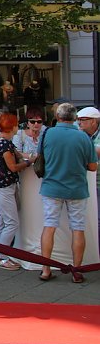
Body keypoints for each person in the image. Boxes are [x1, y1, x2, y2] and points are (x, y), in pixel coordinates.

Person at [38, 103, 97, 282]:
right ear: (74, 118)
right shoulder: (83, 137)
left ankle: (45, 269)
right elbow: (93, 167)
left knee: (49, 226)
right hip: (76, 188)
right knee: (78, 229)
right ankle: (76, 271)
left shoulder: (47, 133)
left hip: (51, 186)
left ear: (57, 115)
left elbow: (40, 156)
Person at [0, 112, 34, 271]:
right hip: (4, 188)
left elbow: (16, 156)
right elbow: (13, 167)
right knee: (12, 222)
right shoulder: (5, 144)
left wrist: (27, 158)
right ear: (12, 126)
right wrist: (29, 162)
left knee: (2, 221)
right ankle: (2, 257)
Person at [75, 106, 100, 251]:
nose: (79, 123)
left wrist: (82, 141)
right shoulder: (82, 134)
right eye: (78, 120)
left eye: (83, 120)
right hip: (87, 182)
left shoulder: (86, 136)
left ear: (93, 122)